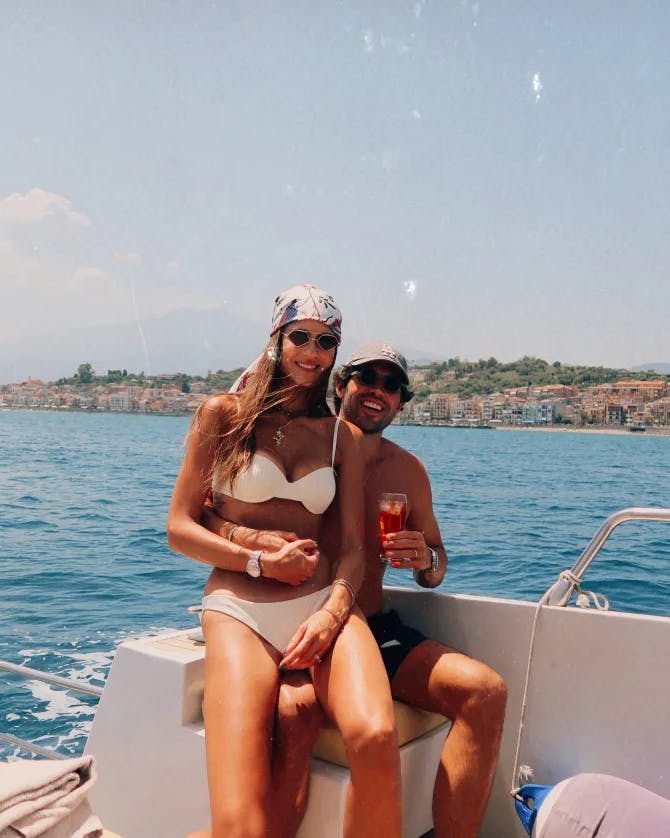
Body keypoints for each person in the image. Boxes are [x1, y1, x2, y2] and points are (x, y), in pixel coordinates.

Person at [205, 341, 507, 838]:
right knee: (293, 712)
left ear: (402, 403)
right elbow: (214, 510)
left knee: (484, 692)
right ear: (341, 384)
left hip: (367, 625)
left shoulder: (407, 471)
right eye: (367, 378)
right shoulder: (305, 447)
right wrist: (247, 541)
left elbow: (437, 563)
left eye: (392, 385)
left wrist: (425, 561)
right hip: (297, 622)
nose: (378, 392)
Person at [167, 289, 402, 838]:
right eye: (301, 337)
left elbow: (350, 549)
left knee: (373, 737)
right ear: (276, 339)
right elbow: (180, 527)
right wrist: (256, 563)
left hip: (322, 604)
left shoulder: (342, 436)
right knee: (239, 821)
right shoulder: (222, 416)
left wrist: (332, 612)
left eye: (327, 342)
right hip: (239, 612)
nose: (313, 352)